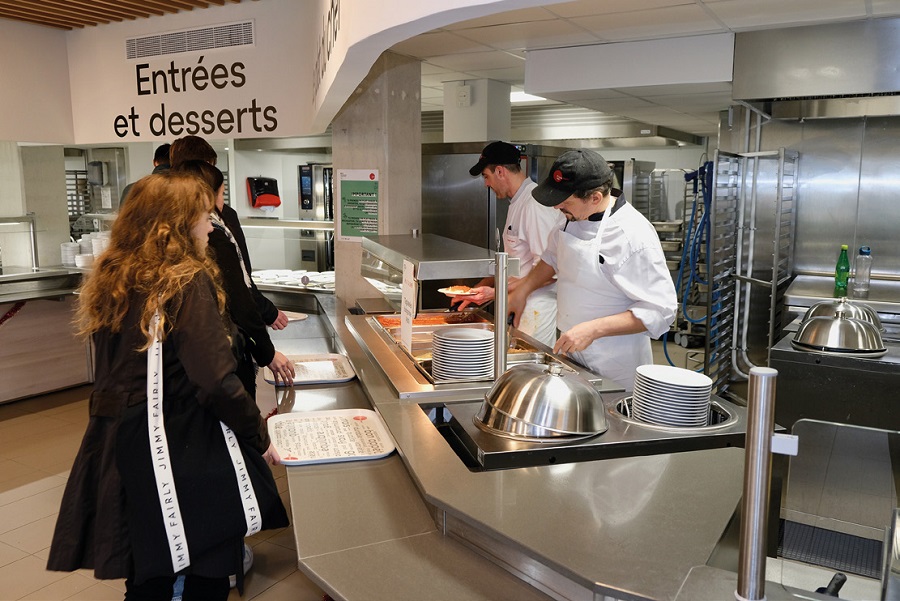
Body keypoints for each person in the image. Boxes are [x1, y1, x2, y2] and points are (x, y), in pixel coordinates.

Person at [46, 172, 289, 600]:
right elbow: (214, 380)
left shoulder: (114, 278)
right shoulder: (185, 281)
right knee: (206, 571)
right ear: (174, 223)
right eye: (202, 216)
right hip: (182, 444)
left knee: (148, 571)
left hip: (124, 442)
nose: (210, 226)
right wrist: (258, 434)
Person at [508, 149, 677, 391]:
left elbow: (661, 309)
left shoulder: (632, 236)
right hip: (572, 353)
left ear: (595, 198)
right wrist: (523, 290)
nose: (557, 207)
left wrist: (593, 329)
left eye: (564, 202)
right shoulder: (571, 217)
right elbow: (551, 258)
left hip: (614, 363)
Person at [172, 160, 295, 395]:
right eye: (221, 193)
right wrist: (266, 352)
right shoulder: (215, 238)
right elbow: (240, 300)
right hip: (225, 360)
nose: (222, 203)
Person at [169, 135, 291, 335]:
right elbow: (239, 284)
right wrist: (265, 346)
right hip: (218, 332)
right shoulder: (218, 222)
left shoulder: (165, 217)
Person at [450, 141, 564, 346]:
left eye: (486, 176)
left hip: (535, 310)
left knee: (527, 369)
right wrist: (478, 289)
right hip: (516, 305)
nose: (486, 184)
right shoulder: (517, 203)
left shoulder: (534, 205)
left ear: (500, 171)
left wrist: (495, 292)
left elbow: (550, 271)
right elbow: (512, 262)